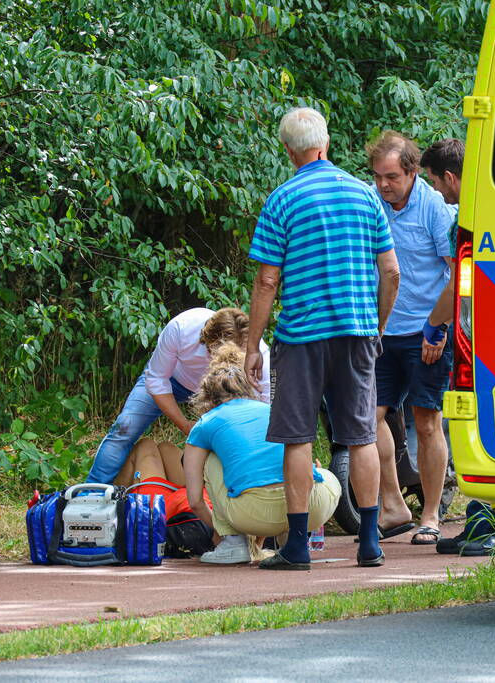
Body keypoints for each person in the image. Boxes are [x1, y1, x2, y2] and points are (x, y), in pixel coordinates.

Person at [244, 107, 402, 570]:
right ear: (325, 143)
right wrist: (377, 325)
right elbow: (391, 271)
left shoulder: (282, 200)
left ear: (288, 150)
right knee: (361, 435)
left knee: (297, 439)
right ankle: (369, 541)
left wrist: (253, 345)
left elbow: (267, 280)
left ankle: (297, 546)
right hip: (356, 333)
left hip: (302, 337)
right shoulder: (365, 195)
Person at [419, 137, 495, 556]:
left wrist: (433, 324)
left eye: (435, 182)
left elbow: (458, 284)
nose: (436, 191)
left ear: (450, 177)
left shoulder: (470, 219)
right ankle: (484, 516)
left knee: (484, 421)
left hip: (482, 335)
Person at [365, 131, 457, 546]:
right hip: (383, 330)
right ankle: (393, 506)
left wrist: (439, 326)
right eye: (378, 176)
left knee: (426, 421)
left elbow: (457, 272)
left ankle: (431, 515)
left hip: (426, 332)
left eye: (391, 177)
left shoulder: (434, 206)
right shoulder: (372, 202)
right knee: (369, 417)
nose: (383, 184)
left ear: (412, 172)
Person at [182, 343, 342, 564]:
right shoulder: (273, 410)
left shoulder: (205, 423)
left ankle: (233, 543)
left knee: (211, 459)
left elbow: (195, 501)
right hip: (313, 506)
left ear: (207, 398)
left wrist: (223, 529)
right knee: (321, 473)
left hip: (254, 514)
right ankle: (293, 539)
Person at [86, 307, 270, 484]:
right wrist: (185, 425)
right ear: (207, 342)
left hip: (222, 389)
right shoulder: (182, 327)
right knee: (125, 427)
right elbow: (157, 379)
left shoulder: (260, 355)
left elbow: (264, 411)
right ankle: (92, 492)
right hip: (171, 378)